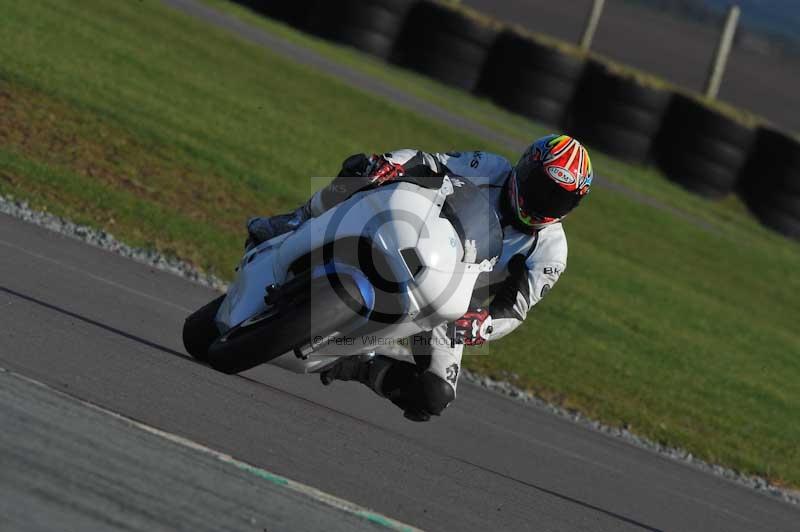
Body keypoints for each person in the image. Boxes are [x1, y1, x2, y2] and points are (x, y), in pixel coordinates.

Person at [246, 134, 593, 421]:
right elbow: (430, 161)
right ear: (525, 167)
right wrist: (393, 163)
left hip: (452, 302)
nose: (544, 203)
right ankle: (294, 221)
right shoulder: (491, 168)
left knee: (433, 395)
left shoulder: (551, 250)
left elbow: (515, 308)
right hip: (417, 235)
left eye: (559, 200)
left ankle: (354, 365)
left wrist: (481, 324)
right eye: (541, 188)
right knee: (360, 169)